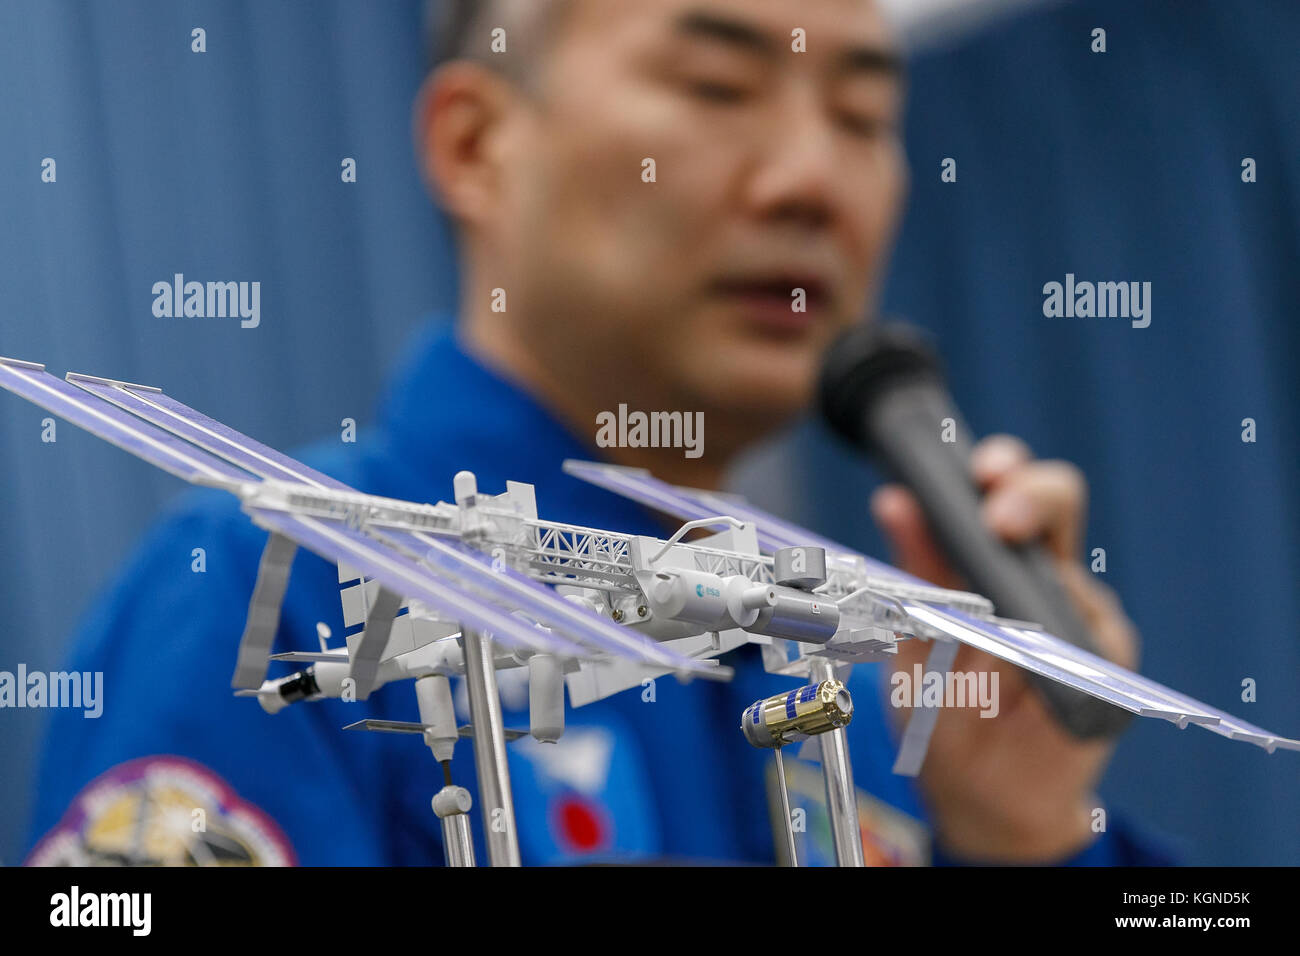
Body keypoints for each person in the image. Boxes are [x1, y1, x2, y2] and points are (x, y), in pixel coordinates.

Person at [24, 0, 1174, 866]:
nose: (813, 179)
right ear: (477, 144)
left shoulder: (888, 724)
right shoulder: (275, 605)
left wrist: (1030, 842)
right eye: (718, 88)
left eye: (864, 116)